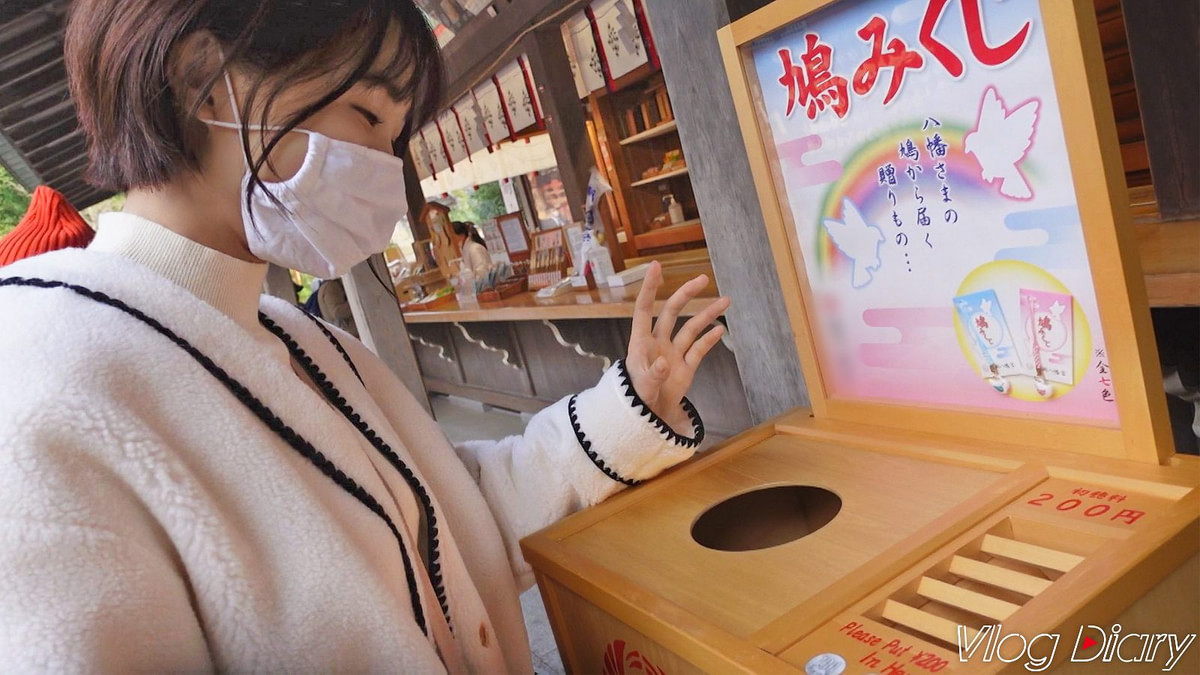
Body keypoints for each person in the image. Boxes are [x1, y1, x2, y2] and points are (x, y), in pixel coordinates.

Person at [0, 1, 731, 672]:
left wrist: (626, 405)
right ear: (204, 81)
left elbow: (450, 528)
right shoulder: (41, 384)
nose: (387, 167)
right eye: (367, 113)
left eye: (395, 136)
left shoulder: (302, 340)